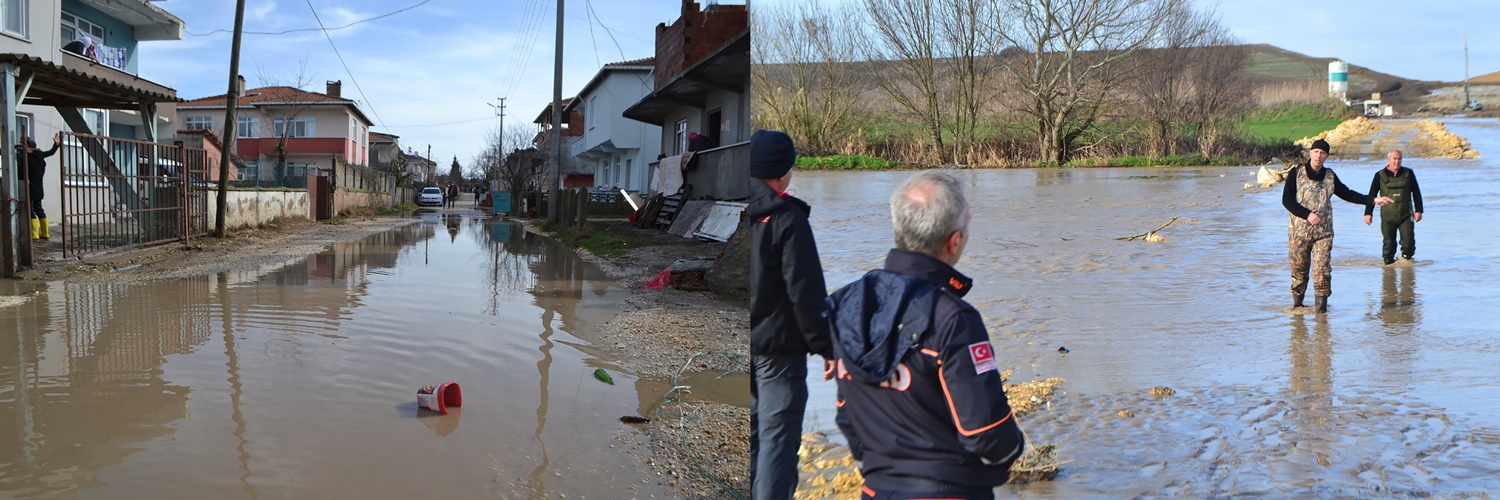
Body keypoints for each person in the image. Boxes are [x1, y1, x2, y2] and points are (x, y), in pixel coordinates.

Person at [826, 170, 1026, 500]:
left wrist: (876, 467)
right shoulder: (953, 319)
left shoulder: (846, 304)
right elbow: (985, 432)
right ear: (955, 241)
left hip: (876, 489)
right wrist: (1012, 451)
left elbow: (846, 414)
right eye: (967, 225)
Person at [747, 129, 834, 500]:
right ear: (783, 173)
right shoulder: (786, 218)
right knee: (777, 444)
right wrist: (827, 346)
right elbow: (806, 294)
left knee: (753, 436)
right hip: (779, 354)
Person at [1282, 139, 1392, 313]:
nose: (1319, 156)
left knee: (1322, 272)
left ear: (1326, 156)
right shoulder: (1296, 173)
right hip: (1298, 233)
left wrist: (1372, 200)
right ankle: (1298, 308)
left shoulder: (1330, 176)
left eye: (1322, 153)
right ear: (1310, 153)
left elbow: (1347, 194)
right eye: (1316, 152)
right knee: (1299, 273)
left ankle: (1321, 315)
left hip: (1323, 233)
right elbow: (1286, 201)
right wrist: (1307, 214)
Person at [1365, 150, 1423, 265]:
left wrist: (1419, 210)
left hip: (1406, 215)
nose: (1397, 161)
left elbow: (1416, 193)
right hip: (1388, 216)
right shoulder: (1379, 175)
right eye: (1394, 159)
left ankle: (1407, 268)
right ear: (1389, 160)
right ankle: (1388, 268)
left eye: (1399, 159)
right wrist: (1368, 213)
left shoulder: (1408, 173)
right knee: (1389, 244)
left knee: (1408, 243)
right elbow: (1372, 195)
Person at [17, 132, 62, 240]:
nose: (21, 148)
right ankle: (45, 233)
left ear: (29, 147)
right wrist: (56, 144)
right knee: (39, 209)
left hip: (29, 186)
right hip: (39, 187)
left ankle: (34, 234)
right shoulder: (39, 155)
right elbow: (51, 152)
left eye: (23, 145)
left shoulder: (26, 158)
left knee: (31, 210)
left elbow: (21, 173)